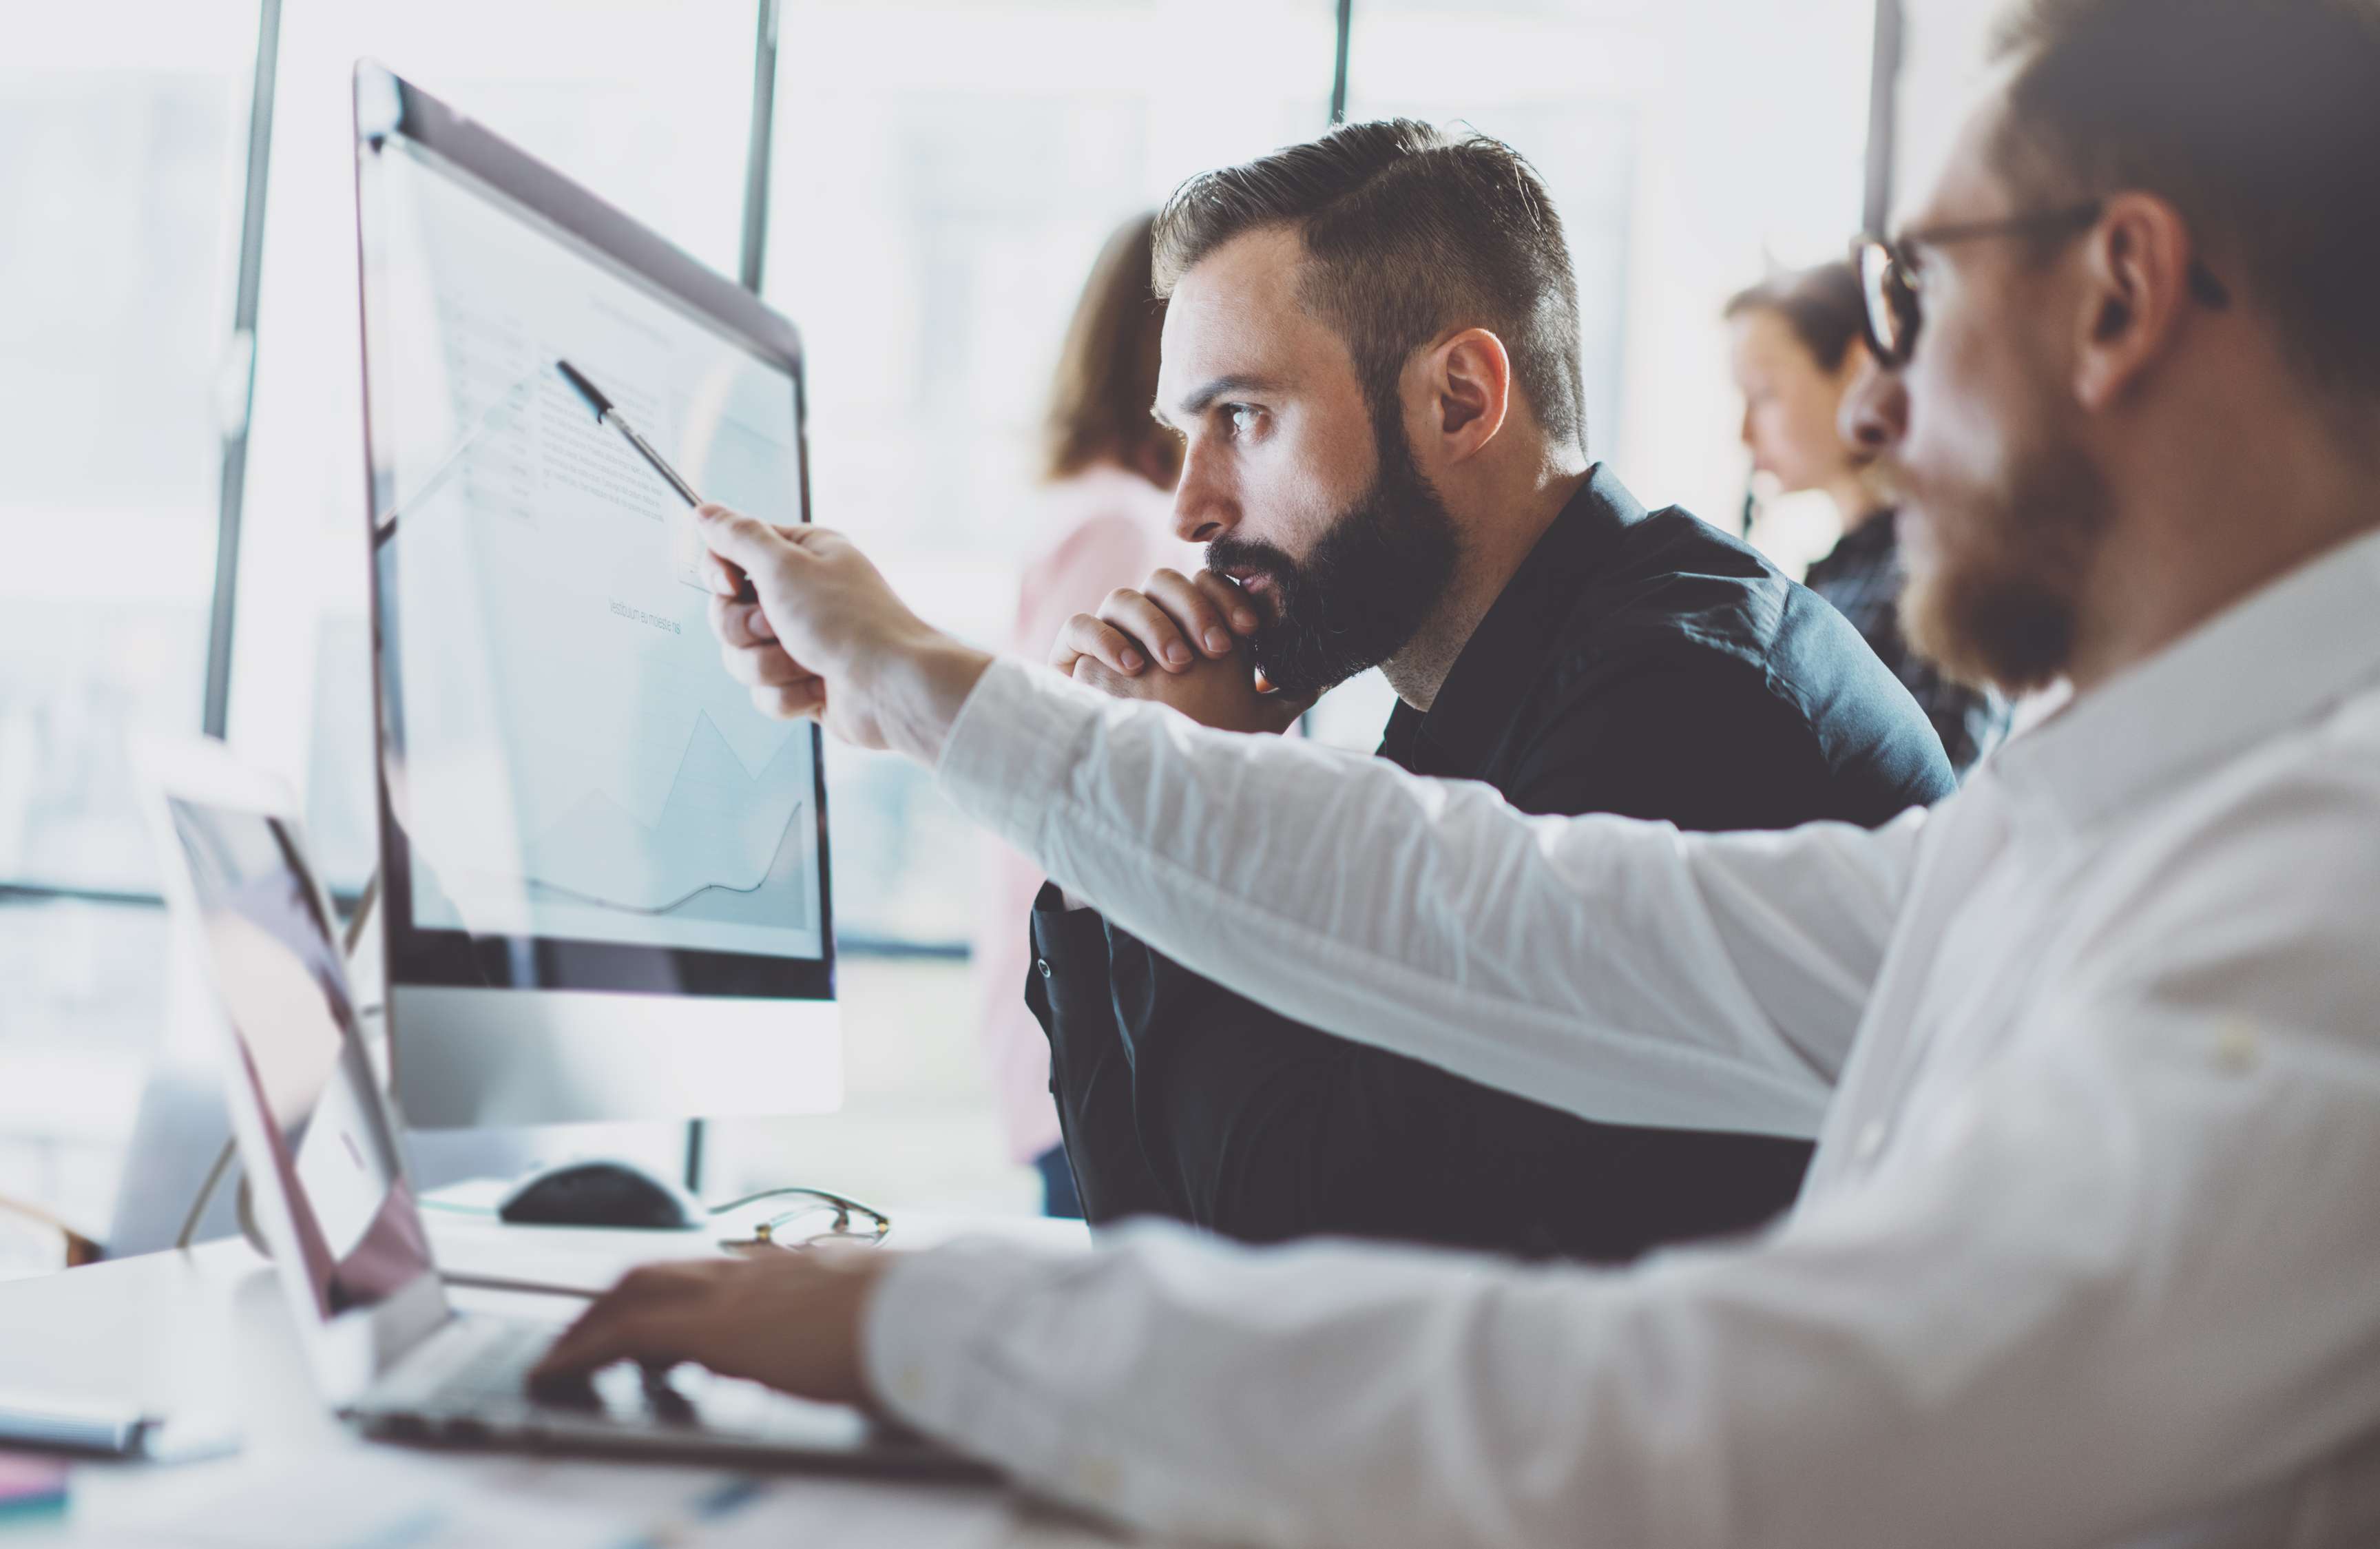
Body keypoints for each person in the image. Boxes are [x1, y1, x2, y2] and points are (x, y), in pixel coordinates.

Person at [536, 0, 2380, 1541]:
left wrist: (942, 1322)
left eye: (1914, 293)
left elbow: (1720, 1426)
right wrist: (942, 694)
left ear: (2121, 293)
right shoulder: (2093, 821)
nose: (1871, 411)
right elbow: (1497, 910)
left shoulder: (2318, 910)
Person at [1019, 124, 1949, 1261]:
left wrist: (1203, 796)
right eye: (1185, 432)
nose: (1192, 508)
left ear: (1460, 398)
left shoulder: (1683, 707)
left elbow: (1321, 1278)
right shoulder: (1469, 697)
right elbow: (1154, 1247)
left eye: (1245, 417)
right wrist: (1105, 838)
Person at [971, 212, 1196, 1218]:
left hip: (1075, 1009)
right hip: (1096, 1014)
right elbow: (1081, 776)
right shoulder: (1123, 526)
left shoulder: (1100, 511)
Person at [1727, 260, 2009, 771]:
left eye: (1764, 394)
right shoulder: (1841, 575)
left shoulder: (1932, 581)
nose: (1745, 433)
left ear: (1857, 368)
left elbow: (1932, 807)